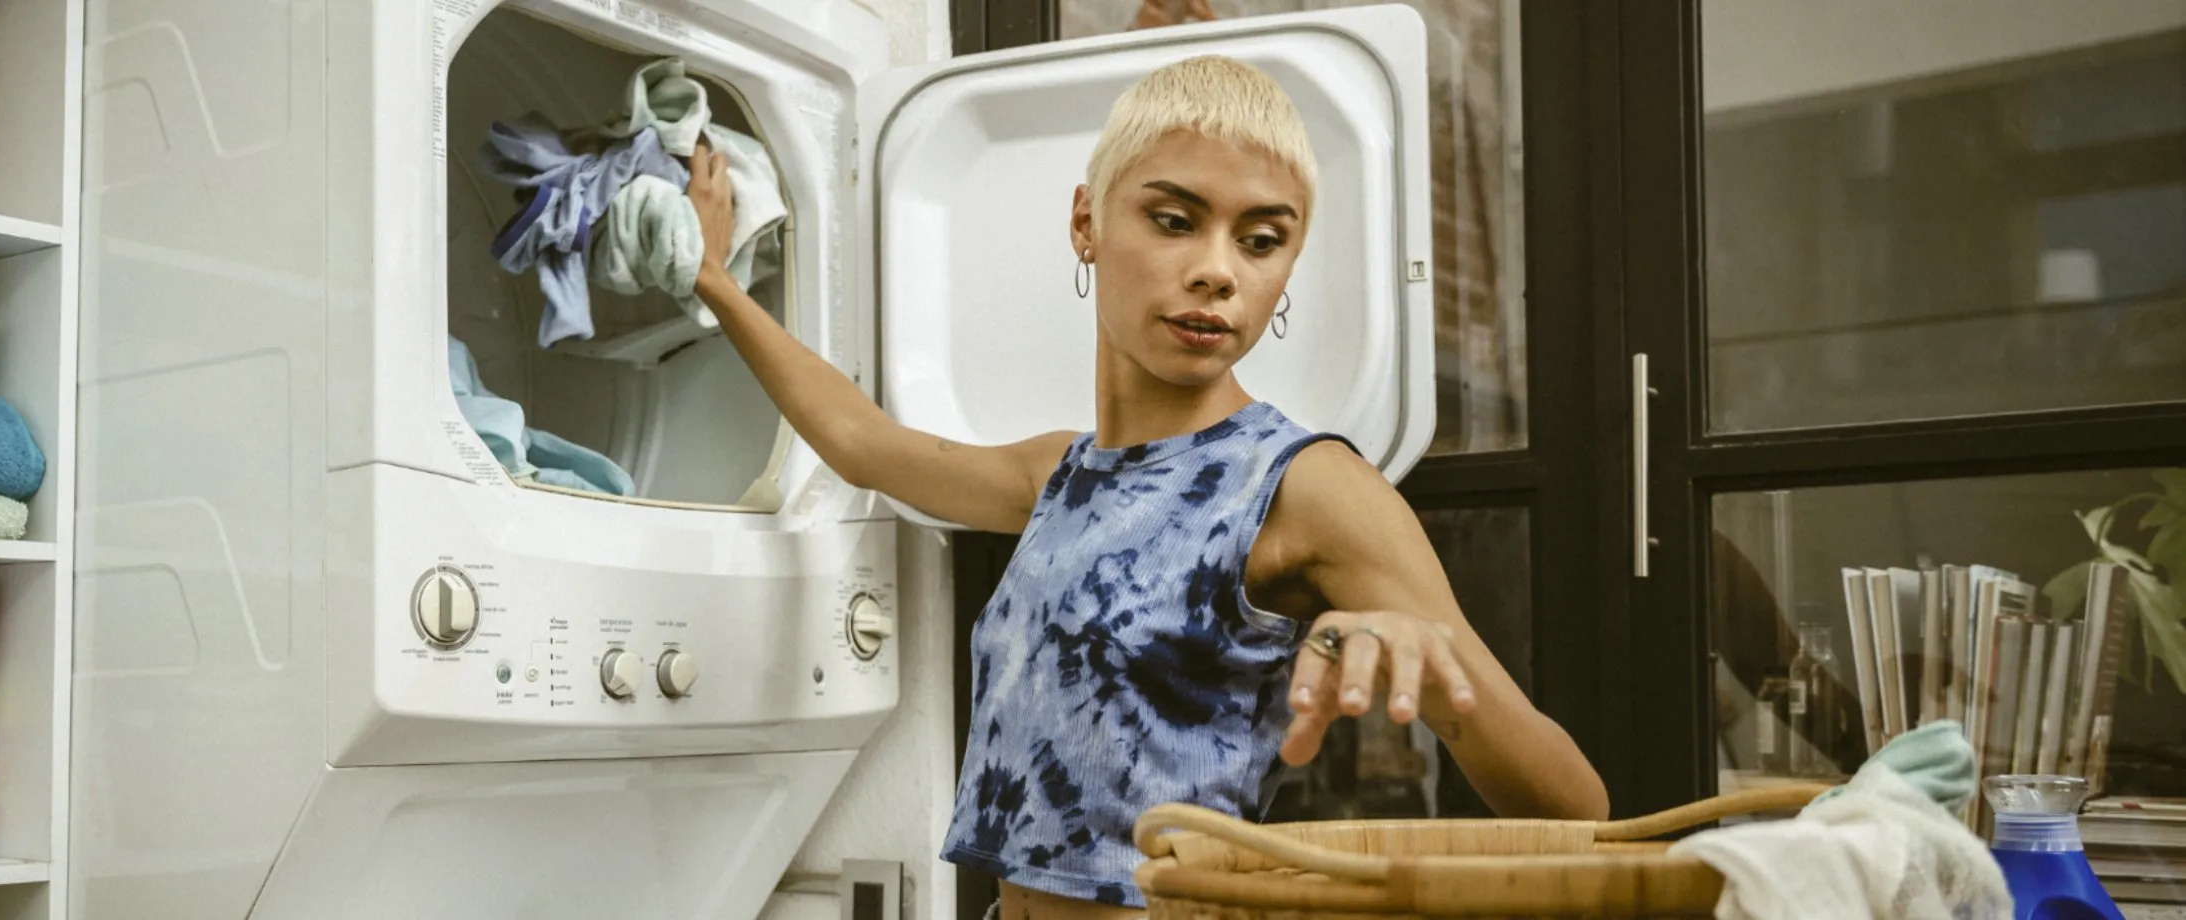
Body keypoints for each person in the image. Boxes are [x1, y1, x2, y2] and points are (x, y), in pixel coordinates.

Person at [684, 55, 1606, 920]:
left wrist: (1436, 676)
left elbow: (1578, 808)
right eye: (1175, 220)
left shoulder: (1306, 486)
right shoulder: (1060, 476)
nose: (1218, 268)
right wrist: (716, 283)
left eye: (1261, 239)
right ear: (1087, 223)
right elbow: (862, 443)